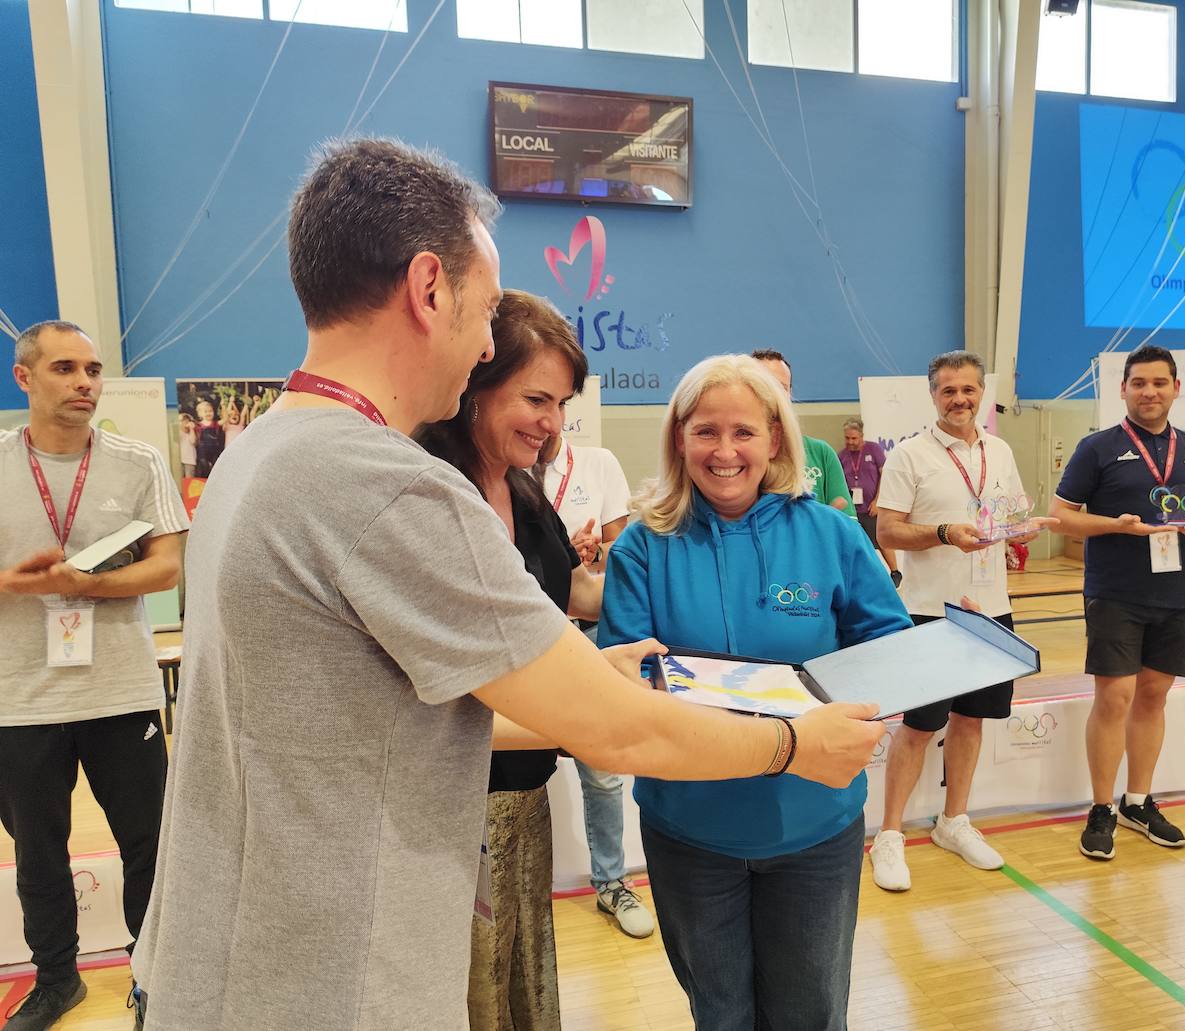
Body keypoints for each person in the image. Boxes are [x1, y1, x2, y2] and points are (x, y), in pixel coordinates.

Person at [130, 138, 886, 1031]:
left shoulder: (259, 450)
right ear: (427, 287)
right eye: (487, 310)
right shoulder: (394, 486)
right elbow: (611, 732)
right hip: (327, 973)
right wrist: (795, 746)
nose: (488, 342)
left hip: (217, 954)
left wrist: (595, 676)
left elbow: (383, 706)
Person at [600, 353, 912, 1031]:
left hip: (814, 826)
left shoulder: (829, 533)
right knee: (720, 1014)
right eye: (705, 431)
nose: (724, 450)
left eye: (743, 431)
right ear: (679, 437)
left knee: (811, 1012)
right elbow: (619, 679)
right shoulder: (641, 547)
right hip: (692, 830)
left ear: (775, 437)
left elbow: (888, 649)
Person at [419, 289, 607, 1029]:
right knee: (470, 987)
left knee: (520, 975)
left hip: (523, 792)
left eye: (560, 403)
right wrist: (589, 717)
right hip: (454, 803)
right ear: (476, 384)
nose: (552, 422)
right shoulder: (431, 491)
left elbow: (571, 594)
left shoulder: (522, 486)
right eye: (536, 397)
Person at [0, 320, 188, 1031]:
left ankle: (153, 976)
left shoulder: (138, 462)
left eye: (94, 369)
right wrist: (13, 585)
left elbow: (167, 566)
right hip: (17, 698)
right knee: (39, 852)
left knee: (149, 843)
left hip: (122, 691)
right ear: (25, 378)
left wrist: (86, 584)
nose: (84, 382)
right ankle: (56, 980)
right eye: (65, 368)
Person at [1049, 344, 1185, 861]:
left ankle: (1138, 801)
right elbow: (1061, 515)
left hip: (1178, 593)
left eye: (1159, 382)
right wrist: (1115, 526)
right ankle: (1102, 808)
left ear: (1176, 387)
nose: (1149, 391)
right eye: (1138, 383)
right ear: (1124, 389)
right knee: (1114, 699)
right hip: (1116, 593)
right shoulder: (1098, 448)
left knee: (1153, 698)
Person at [869, 351, 1047, 889]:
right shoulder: (909, 456)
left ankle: (954, 820)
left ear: (981, 395)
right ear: (933, 396)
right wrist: (945, 533)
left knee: (972, 720)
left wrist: (1023, 530)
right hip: (930, 612)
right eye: (949, 391)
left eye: (968, 390)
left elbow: (1009, 517)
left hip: (991, 610)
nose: (960, 400)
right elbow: (889, 533)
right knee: (920, 727)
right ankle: (890, 835)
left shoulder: (1000, 449)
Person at [533, 431, 655, 939]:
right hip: (530, 635)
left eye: (557, 402)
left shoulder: (597, 462)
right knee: (516, 765)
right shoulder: (500, 472)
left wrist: (587, 552)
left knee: (602, 773)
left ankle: (611, 882)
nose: (546, 418)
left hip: (588, 632)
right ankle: (520, 889)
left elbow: (614, 552)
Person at [751, 348, 856, 516]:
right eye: (762, 386)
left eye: (780, 387)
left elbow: (849, 528)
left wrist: (827, 526)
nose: (772, 395)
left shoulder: (821, 453)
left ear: (789, 393)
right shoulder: (735, 458)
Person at [840, 416, 898, 576]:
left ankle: (895, 572)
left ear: (861, 436)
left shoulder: (873, 449)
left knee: (881, 540)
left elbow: (885, 476)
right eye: (847, 438)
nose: (850, 441)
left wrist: (878, 501)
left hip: (872, 507)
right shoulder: (842, 455)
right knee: (859, 544)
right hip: (853, 509)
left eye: (854, 438)